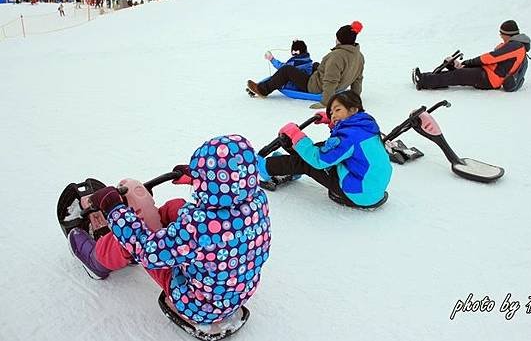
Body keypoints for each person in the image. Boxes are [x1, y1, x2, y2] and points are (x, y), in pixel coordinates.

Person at [68, 134, 271, 327]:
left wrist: (114, 209)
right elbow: (225, 199)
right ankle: (151, 231)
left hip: (198, 304)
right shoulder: (256, 202)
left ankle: (97, 260)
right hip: (236, 289)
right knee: (176, 206)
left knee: (139, 238)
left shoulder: (199, 229)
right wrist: (195, 176)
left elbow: (148, 251)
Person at [257, 90, 392, 207]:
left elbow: (318, 160)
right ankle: (286, 166)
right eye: (332, 113)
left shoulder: (348, 137)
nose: (333, 115)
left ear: (353, 110)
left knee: (309, 162)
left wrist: (296, 136)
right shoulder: (366, 126)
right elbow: (347, 143)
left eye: (337, 110)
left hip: (357, 194)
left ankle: (266, 167)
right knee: (323, 147)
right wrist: (332, 121)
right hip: (373, 189)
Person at [247, 21, 365, 109]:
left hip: (314, 86)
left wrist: (325, 102)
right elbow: (358, 79)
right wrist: (355, 97)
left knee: (287, 70)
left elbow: (331, 81)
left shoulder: (336, 57)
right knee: (315, 65)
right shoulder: (359, 56)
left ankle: (262, 90)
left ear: (339, 40)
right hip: (338, 85)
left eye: (337, 38)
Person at [413, 20, 531, 91]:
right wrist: (467, 65)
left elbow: (490, 58)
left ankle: (422, 81)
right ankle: (429, 76)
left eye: (501, 34)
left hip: (491, 79)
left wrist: (468, 62)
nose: (500, 36)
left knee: (458, 75)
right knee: (460, 72)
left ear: (507, 34)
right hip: (487, 72)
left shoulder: (515, 47)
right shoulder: (514, 45)